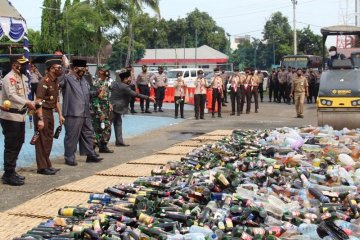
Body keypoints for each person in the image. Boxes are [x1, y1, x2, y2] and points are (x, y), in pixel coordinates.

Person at [60, 59, 103, 166]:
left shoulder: (84, 80)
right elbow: (58, 80)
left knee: (88, 134)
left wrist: (96, 93)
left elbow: (87, 94)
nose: (84, 70)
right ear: (75, 69)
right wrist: (65, 67)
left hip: (85, 113)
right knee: (72, 136)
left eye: (85, 68)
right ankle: (69, 157)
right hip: (72, 113)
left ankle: (90, 154)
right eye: (82, 68)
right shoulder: (67, 79)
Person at [0, 56, 35, 186]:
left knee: (19, 142)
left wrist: (29, 104)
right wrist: (27, 102)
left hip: (20, 116)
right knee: (11, 145)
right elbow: (11, 96)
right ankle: (8, 174)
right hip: (10, 117)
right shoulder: (9, 78)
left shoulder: (23, 78)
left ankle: (11, 170)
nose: (26, 66)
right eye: (23, 64)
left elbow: (25, 94)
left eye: (26, 64)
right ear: (15, 65)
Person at [34, 57, 64, 175]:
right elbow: (38, 101)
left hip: (50, 112)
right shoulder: (44, 81)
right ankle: (41, 167)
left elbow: (55, 100)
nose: (60, 69)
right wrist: (40, 119)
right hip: (43, 112)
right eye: (58, 68)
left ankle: (47, 164)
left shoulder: (55, 81)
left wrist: (60, 115)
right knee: (41, 140)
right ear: (51, 69)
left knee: (49, 139)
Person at [111, 70, 155, 146]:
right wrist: (148, 98)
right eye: (128, 78)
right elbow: (135, 94)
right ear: (124, 79)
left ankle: (119, 142)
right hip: (114, 108)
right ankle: (102, 144)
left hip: (115, 107)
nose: (130, 80)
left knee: (117, 124)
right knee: (107, 126)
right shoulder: (124, 87)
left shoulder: (115, 83)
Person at [91, 64, 113, 154]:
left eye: (107, 70)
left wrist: (110, 103)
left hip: (106, 109)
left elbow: (107, 96)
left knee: (107, 128)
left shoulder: (107, 82)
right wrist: (100, 113)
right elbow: (94, 99)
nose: (107, 72)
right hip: (98, 109)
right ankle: (92, 150)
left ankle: (103, 146)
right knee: (97, 129)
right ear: (100, 71)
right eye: (105, 70)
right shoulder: (96, 83)